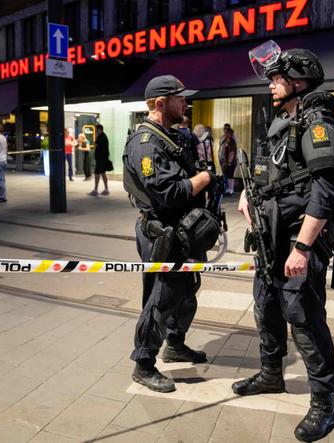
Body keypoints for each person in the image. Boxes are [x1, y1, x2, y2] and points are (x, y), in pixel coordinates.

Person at [232, 43, 334, 442]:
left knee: (304, 318)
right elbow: (278, 175)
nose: (271, 84)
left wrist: (302, 247)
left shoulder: (319, 123)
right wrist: (252, 195)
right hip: (272, 236)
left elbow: (327, 189)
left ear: (298, 81)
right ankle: (270, 374)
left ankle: (324, 405)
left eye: (277, 78)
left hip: (300, 237)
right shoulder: (284, 121)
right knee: (266, 306)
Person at [123, 75, 215, 393]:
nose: (185, 103)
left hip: (183, 232)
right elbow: (170, 193)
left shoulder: (168, 137)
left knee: (186, 289)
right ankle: (144, 363)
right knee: (161, 298)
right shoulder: (145, 144)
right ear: (161, 104)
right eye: (180, 98)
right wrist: (204, 178)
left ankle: (175, 343)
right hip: (162, 234)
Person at [89, 124, 111, 196]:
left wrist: (96, 142)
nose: (95, 131)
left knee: (97, 173)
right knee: (102, 173)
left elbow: (96, 144)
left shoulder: (102, 137)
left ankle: (96, 190)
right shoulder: (103, 136)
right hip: (102, 158)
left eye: (96, 129)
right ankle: (106, 189)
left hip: (101, 159)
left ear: (99, 129)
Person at [219, 127, 238, 196]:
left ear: (230, 133)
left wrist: (229, 162)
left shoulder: (231, 141)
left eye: (226, 132)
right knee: (227, 176)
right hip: (226, 162)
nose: (225, 134)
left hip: (230, 162)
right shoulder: (226, 140)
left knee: (230, 176)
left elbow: (232, 152)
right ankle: (228, 190)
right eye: (225, 132)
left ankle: (230, 190)